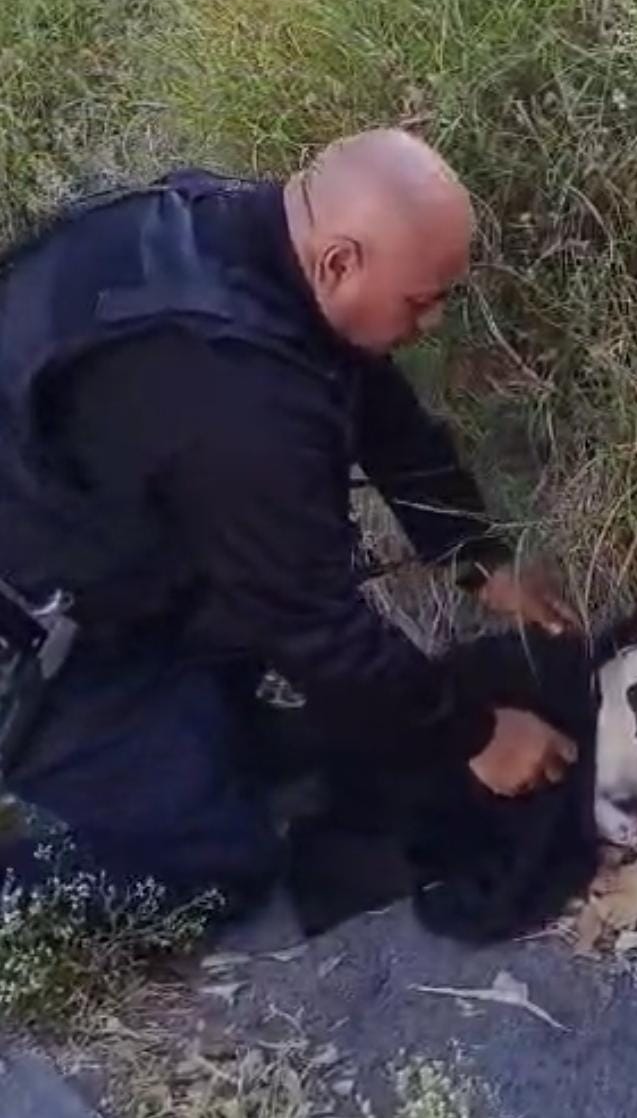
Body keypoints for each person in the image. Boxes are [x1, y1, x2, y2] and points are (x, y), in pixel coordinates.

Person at [0, 130, 578, 910]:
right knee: (214, 866)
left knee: (259, 743)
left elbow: (373, 397)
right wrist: (477, 737)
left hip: (94, 528)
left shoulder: (249, 233)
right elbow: (315, 627)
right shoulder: (235, 398)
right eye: (422, 300)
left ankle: (186, 731)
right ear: (339, 260)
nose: (435, 322)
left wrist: (472, 554)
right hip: (37, 633)